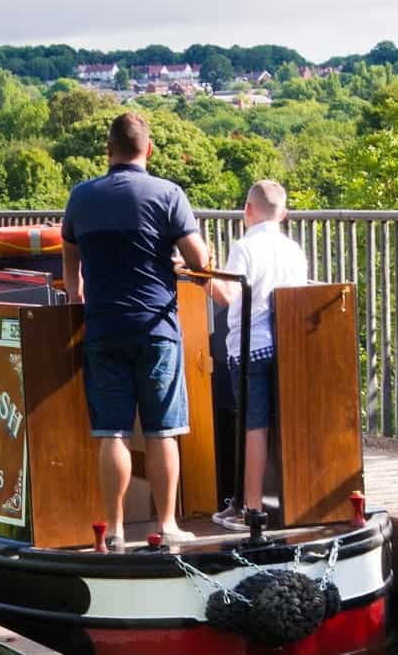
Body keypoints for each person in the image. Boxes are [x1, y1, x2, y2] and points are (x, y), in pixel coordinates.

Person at [61, 112, 212, 550]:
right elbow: (199, 261)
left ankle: (116, 530)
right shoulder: (168, 194)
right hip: (156, 327)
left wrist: (76, 295)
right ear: (147, 150)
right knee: (163, 429)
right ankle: (167, 525)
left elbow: (69, 255)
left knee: (112, 432)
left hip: (104, 325)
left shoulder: (81, 197)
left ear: (108, 151)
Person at [209, 180, 307, 531]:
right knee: (285, 426)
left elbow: (228, 296)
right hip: (288, 347)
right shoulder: (294, 250)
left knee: (254, 427)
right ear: (284, 214)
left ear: (247, 211)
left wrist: (204, 275)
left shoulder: (244, 246)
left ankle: (250, 510)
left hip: (250, 348)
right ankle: (295, 500)